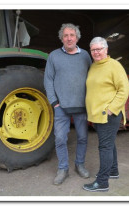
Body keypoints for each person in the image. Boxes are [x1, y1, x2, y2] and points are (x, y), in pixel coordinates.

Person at [44, 23, 92, 185]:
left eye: (72, 35)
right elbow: (48, 80)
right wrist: (54, 102)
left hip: (81, 106)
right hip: (61, 107)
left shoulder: (86, 55)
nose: (69, 38)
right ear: (61, 38)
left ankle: (80, 165)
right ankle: (63, 168)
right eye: (66, 35)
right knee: (60, 138)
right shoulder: (54, 56)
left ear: (77, 37)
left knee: (83, 137)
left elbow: (92, 78)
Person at [83, 37, 129, 192]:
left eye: (99, 49)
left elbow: (124, 90)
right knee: (109, 144)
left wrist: (111, 109)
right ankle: (113, 171)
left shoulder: (114, 66)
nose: (96, 52)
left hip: (108, 115)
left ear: (106, 50)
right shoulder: (94, 66)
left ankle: (102, 182)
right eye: (93, 50)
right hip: (97, 114)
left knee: (105, 147)